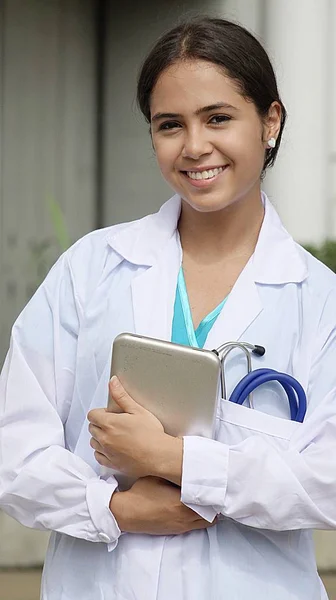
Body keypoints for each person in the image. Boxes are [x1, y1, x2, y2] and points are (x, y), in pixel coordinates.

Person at [0, 16, 335, 600]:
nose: (195, 146)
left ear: (271, 122)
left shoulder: (319, 299)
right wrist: (115, 508)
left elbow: (328, 482)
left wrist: (181, 461)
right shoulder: (91, 269)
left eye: (219, 118)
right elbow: (15, 452)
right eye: (169, 125)